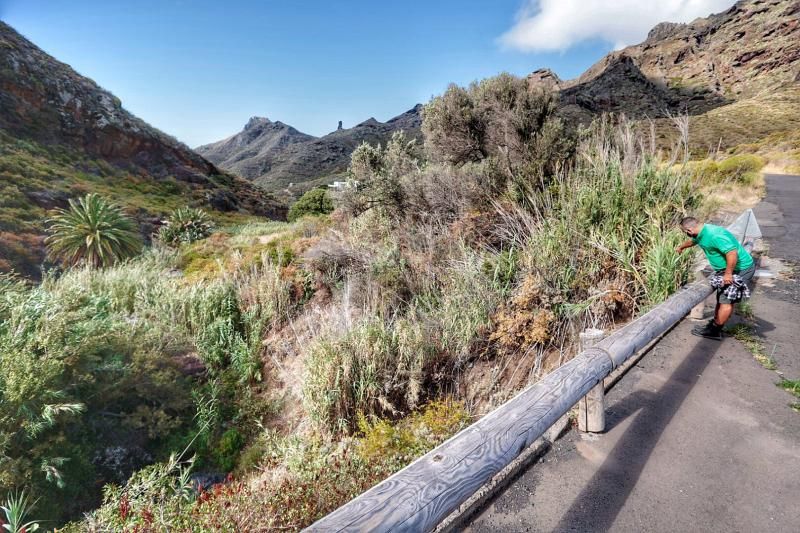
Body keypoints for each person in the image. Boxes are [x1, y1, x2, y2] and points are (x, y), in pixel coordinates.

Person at [676, 216, 755, 340]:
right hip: (726, 269)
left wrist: (728, 274)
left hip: (740, 269)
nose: (688, 236)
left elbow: (731, 253)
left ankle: (715, 331)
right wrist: (681, 247)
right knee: (722, 298)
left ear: (689, 230)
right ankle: (715, 324)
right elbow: (693, 241)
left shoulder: (714, 235)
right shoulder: (701, 233)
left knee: (726, 300)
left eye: (685, 233)